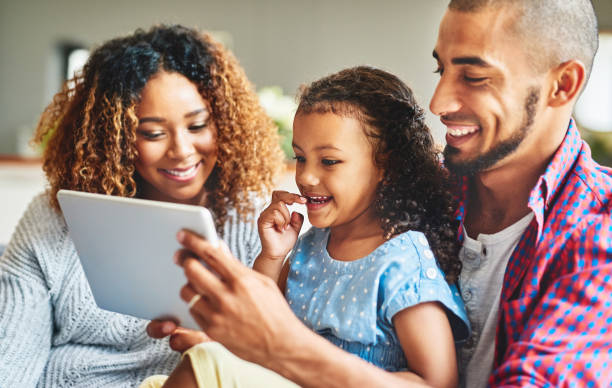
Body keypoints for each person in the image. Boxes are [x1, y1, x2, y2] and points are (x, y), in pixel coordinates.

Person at [149, 0, 612, 387]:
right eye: (442, 68)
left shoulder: (598, 232)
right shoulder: (414, 188)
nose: (439, 103)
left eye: (473, 76)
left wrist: (279, 348)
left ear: (562, 84)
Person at [143, 66, 470, 388]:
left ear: (386, 166)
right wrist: (273, 255)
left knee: (207, 365)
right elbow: (258, 320)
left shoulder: (402, 262)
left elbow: (436, 382)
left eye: (329, 161)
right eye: (300, 158)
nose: (306, 177)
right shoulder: (311, 246)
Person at [0, 24, 284, 387]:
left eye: (197, 126)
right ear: (114, 137)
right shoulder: (53, 220)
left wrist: (232, 350)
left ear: (226, 124)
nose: (181, 151)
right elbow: (10, 364)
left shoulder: (257, 223)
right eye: (152, 133)